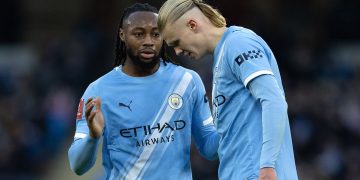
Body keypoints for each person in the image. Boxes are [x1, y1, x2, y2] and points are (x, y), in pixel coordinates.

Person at [68, 3, 220, 180]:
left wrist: (231, 124)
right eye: (139, 34)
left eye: (155, 34)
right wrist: (92, 138)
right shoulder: (98, 91)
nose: (148, 41)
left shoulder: (187, 81)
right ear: (122, 35)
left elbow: (210, 149)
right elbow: (77, 166)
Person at [157, 0, 298, 179]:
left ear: (192, 25)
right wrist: (190, 112)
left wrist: (268, 166)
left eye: (176, 42)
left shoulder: (238, 43)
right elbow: (214, 147)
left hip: (258, 174)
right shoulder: (221, 58)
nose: (176, 51)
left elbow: (274, 101)